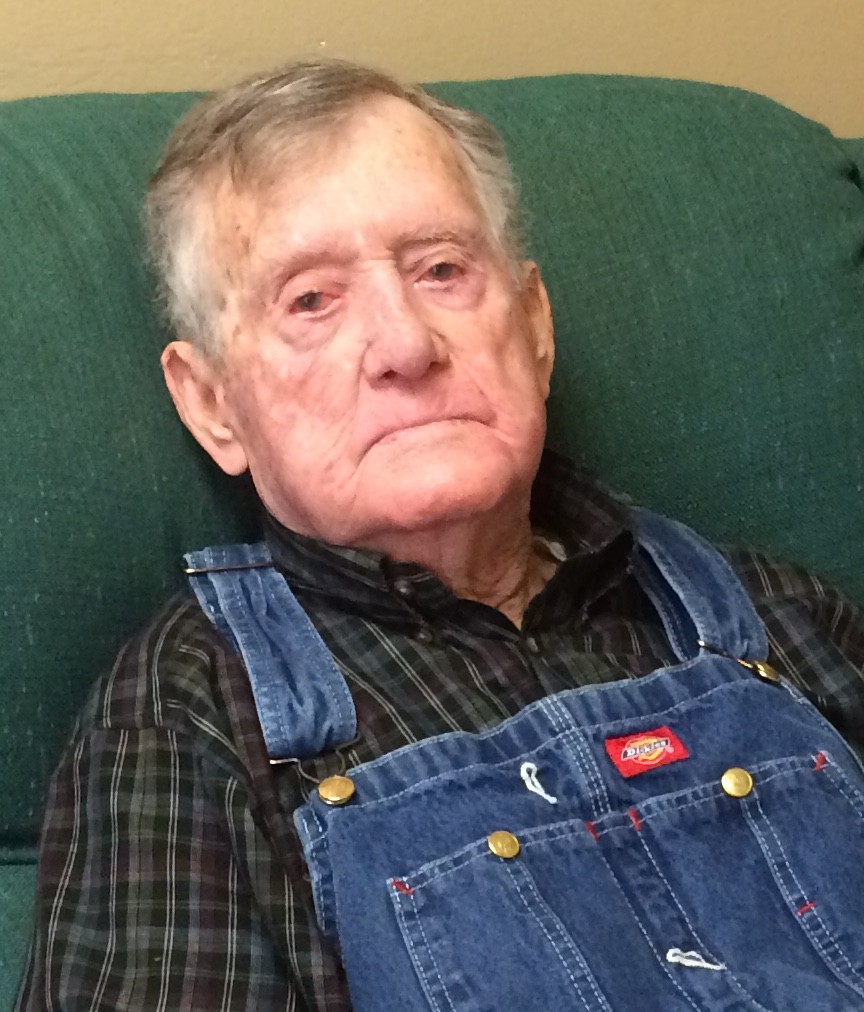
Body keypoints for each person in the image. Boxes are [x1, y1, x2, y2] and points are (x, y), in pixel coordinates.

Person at [15, 59, 864, 1011]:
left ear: (534, 325)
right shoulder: (187, 716)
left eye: (443, 271)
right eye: (311, 300)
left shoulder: (782, 616)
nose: (407, 346)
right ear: (213, 404)